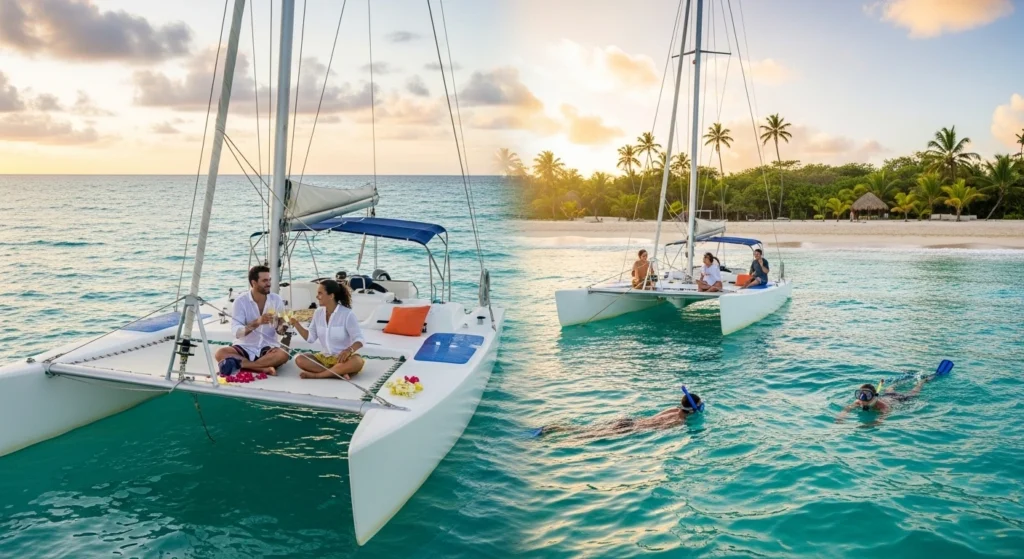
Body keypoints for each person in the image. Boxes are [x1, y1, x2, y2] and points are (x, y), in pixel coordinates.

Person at [215, 265, 291, 375]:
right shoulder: (240, 301)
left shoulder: (276, 299)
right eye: (264, 281)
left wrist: (283, 325)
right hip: (244, 347)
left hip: (267, 348)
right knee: (220, 353)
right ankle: (261, 368)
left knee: (283, 354)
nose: (269, 284)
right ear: (254, 283)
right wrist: (257, 322)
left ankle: (244, 366)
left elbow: (283, 330)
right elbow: (237, 333)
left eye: (269, 280)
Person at [534, 392, 703, 439]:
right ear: (694, 408)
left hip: (631, 421)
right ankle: (554, 433)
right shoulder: (680, 421)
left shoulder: (672, 410)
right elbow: (658, 429)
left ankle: (554, 428)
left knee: (586, 429)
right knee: (586, 435)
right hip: (632, 428)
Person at [289, 279, 365, 380]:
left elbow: (359, 340)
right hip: (324, 359)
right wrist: (296, 323)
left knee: (357, 362)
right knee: (300, 359)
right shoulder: (318, 313)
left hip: (344, 359)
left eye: (320, 293)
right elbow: (310, 338)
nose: (317, 296)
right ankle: (339, 372)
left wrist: (348, 351)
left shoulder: (347, 314)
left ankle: (318, 375)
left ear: (331, 296)